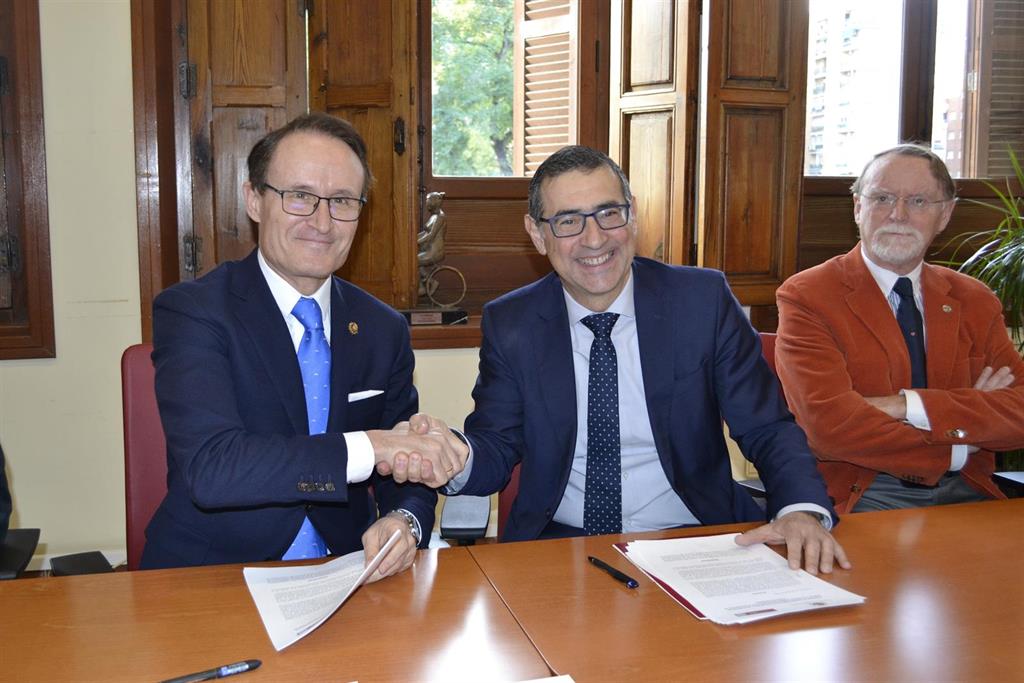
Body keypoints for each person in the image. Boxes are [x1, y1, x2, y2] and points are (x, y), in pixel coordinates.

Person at [442, 145, 849, 574]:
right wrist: (451, 456)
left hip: (697, 536)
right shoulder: (512, 322)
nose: (594, 238)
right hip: (560, 543)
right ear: (537, 233)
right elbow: (497, 445)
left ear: (632, 214)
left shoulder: (701, 301)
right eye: (568, 221)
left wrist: (799, 510)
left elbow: (766, 426)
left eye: (608, 213)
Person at [143, 113, 467, 572]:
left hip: (349, 571)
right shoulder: (195, 311)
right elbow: (213, 468)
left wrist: (405, 520)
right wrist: (371, 447)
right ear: (254, 199)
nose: (322, 221)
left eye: (342, 201)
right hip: (214, 572)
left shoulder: (382, 327)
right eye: (299, 196)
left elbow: (404, 457)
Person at [775, 144, 1024, 514]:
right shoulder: (808, 296)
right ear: (858, 207)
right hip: (864, 492)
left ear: (946, 215)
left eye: (920, 201)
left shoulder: (974, 299)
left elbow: (1019, 410)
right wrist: (960, 441)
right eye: (882, 197)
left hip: (970, 490)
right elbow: (827, 429)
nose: (899, 214)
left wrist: (904, 405)